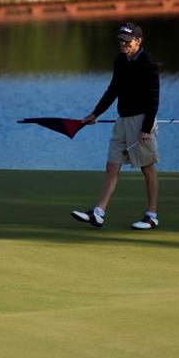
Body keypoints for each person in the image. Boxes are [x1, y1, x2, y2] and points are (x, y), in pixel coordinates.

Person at [72, 22, 161, 230]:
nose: (122, 44)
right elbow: (113, 90)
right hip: (122, 120)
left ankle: (152, 215)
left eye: (126, 41)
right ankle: (98, 213)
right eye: (120, 40)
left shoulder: (149, 64)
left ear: (138, 41)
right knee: (112, 166)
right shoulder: (120, 61)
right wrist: (95, 113)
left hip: (141, 121)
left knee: (147, 168)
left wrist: (146, 128)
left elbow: (154, 99)